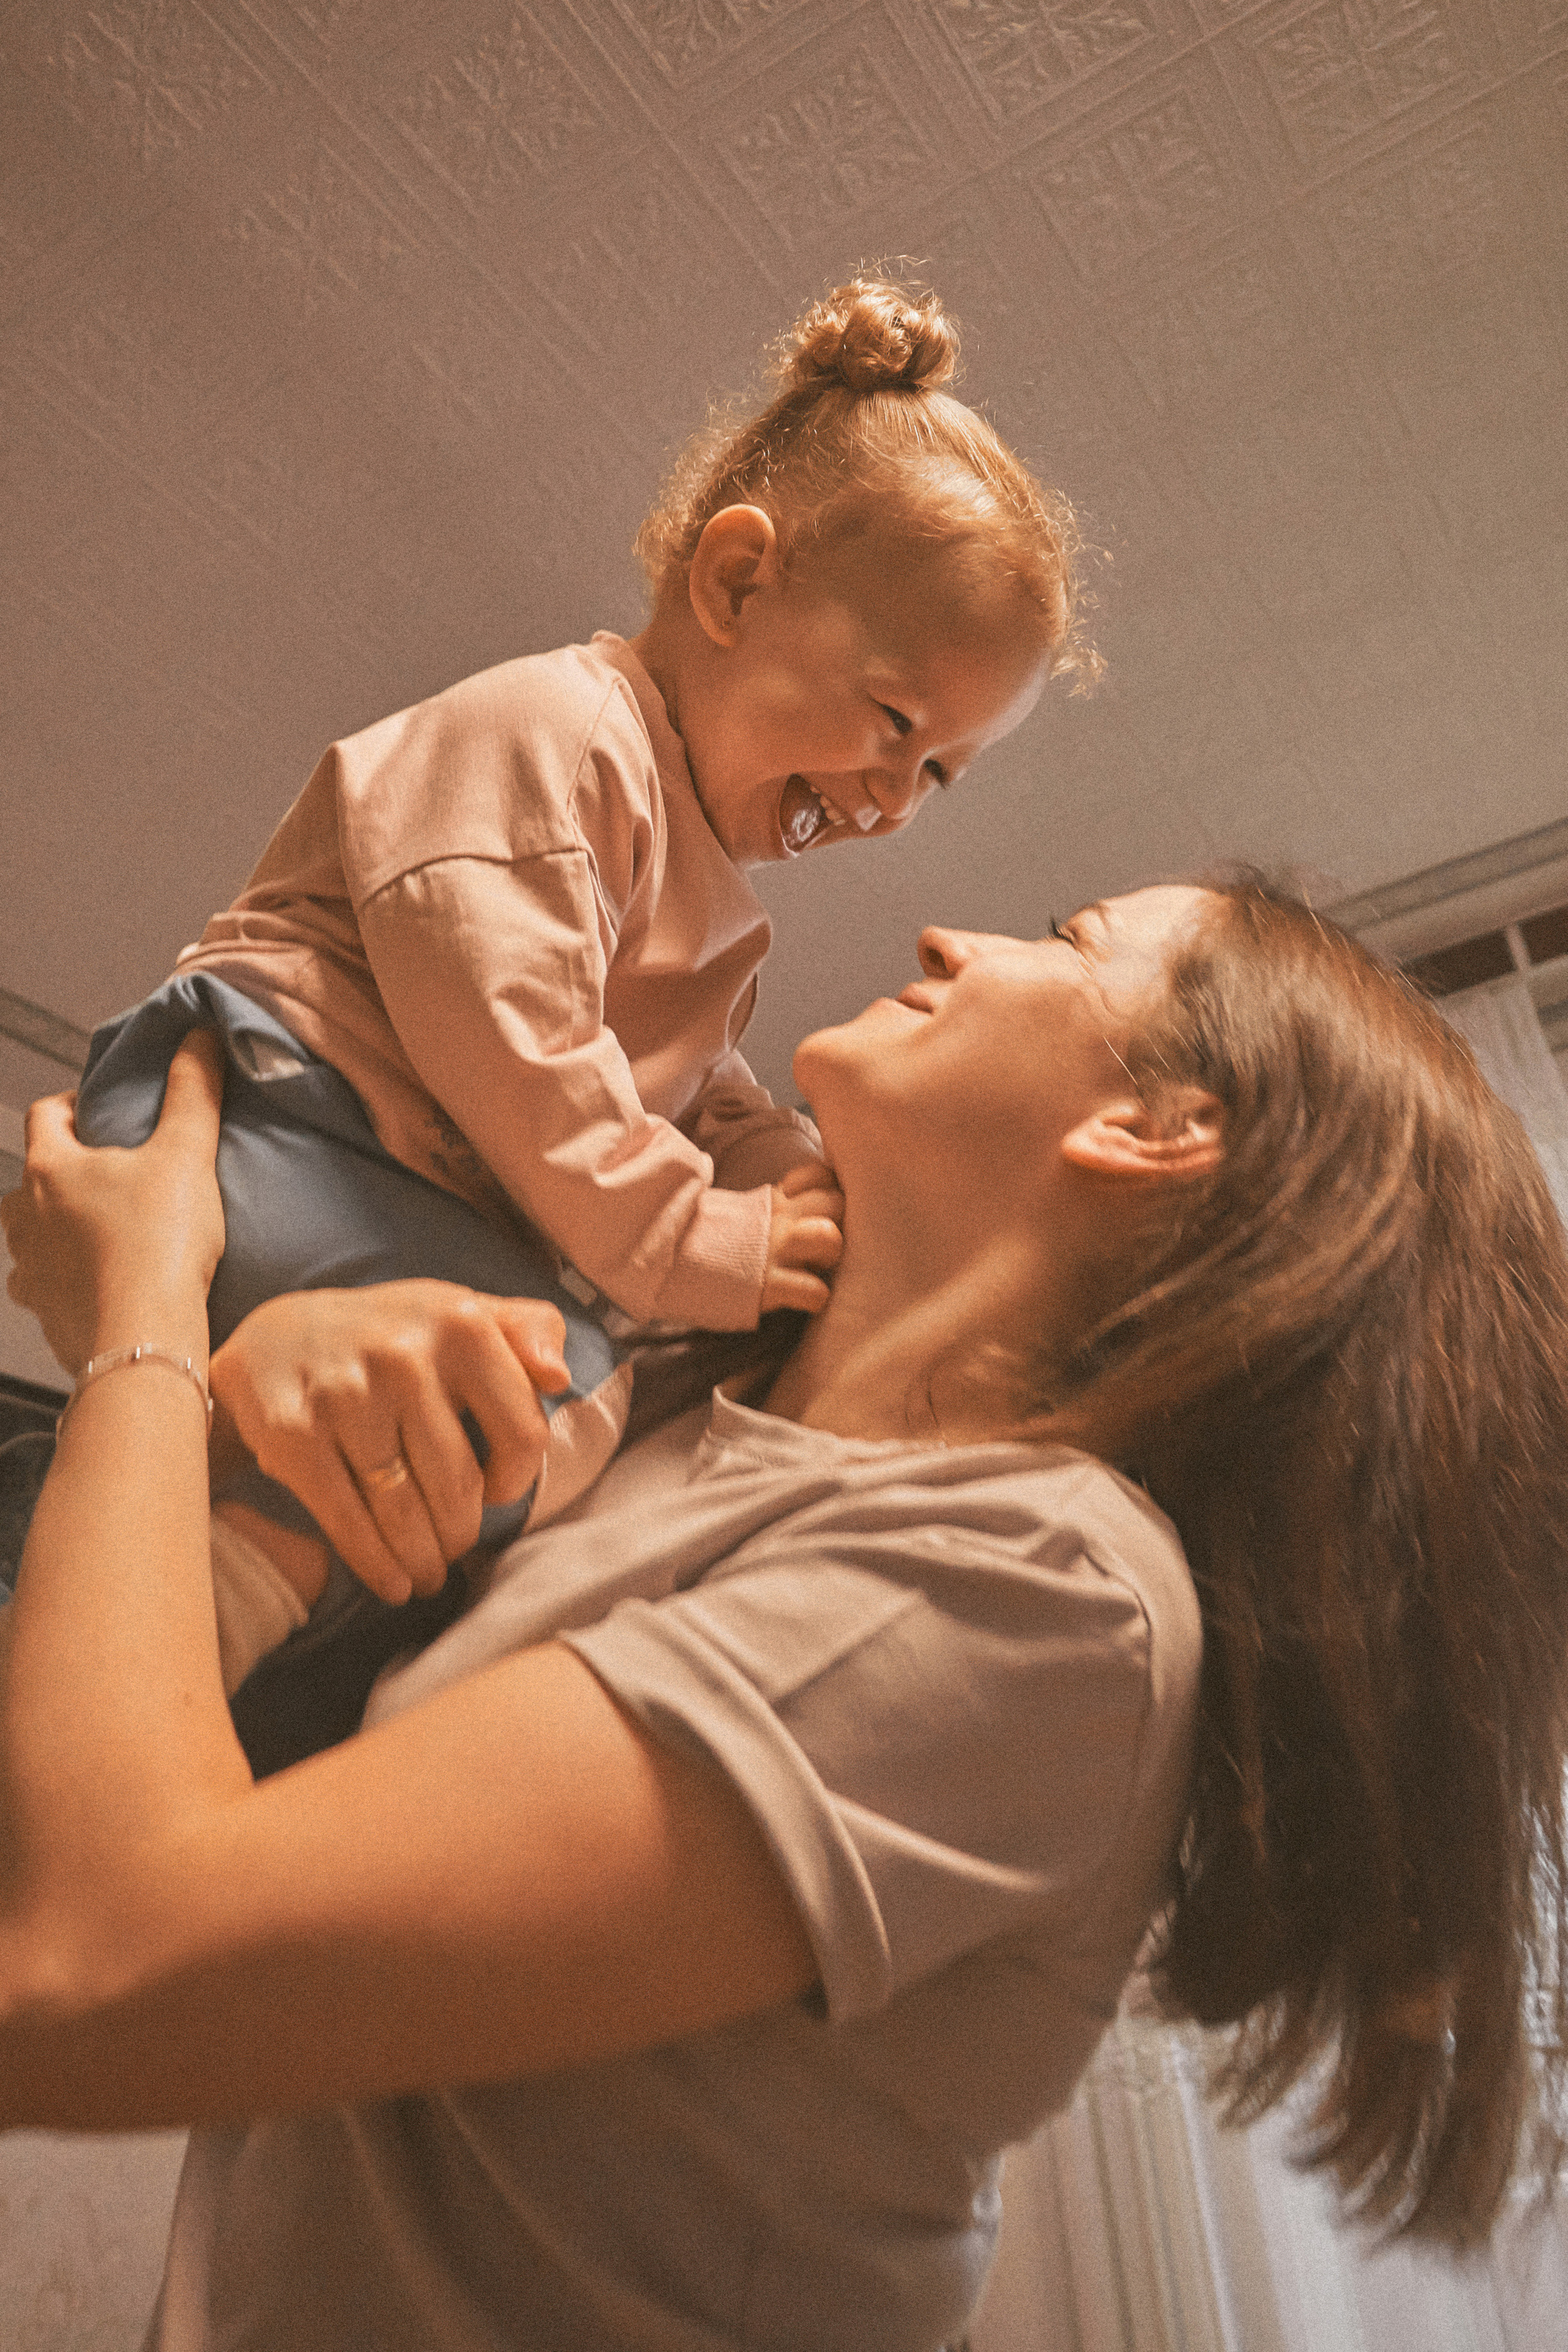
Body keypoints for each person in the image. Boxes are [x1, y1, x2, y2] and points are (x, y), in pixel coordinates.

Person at [3, 880, 1566, 2352]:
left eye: (1072, 936)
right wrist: (227, 1424)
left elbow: (84, 1971)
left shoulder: (1035, 1584)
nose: (953, 939)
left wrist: (144, 1312)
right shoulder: (646, 1422)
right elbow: (94, 1807)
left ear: (1155, 1129)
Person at [72, 276, 1088, 1631]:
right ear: (734, 582)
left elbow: (690, 1086)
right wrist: (693, 1236)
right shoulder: (562, 736)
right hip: (268, 1097)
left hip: (366, 1152)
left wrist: (801, 1185)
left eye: (940, 774)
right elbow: (516, 1031)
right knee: (553, 1380)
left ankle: (240, 1602)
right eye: (895, 721)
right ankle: (214, 1604)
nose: (896, 800)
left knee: (548, 1398)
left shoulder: (703, 882)